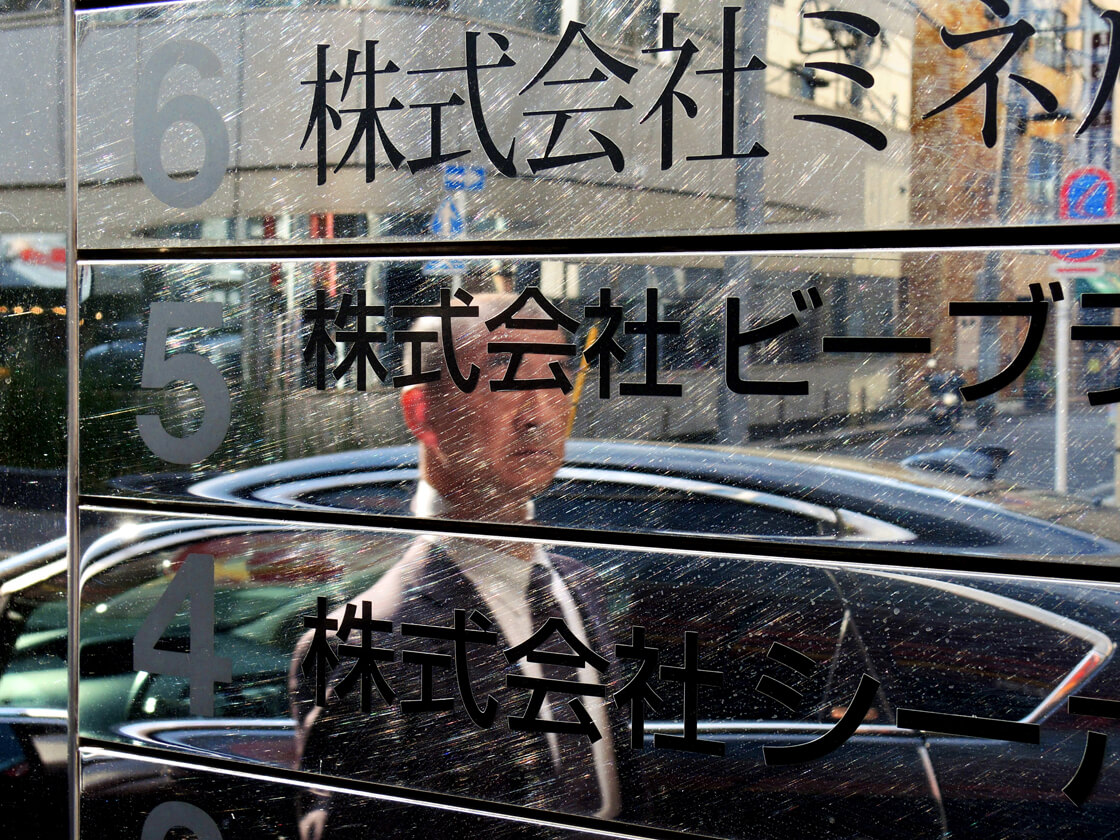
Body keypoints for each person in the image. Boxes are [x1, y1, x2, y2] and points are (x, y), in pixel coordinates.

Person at [289, 292, 632, 839]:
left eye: (555, 378)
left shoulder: (576, 586)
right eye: (504, 379)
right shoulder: (364, 641)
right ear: (421, 411)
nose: (539, 412)